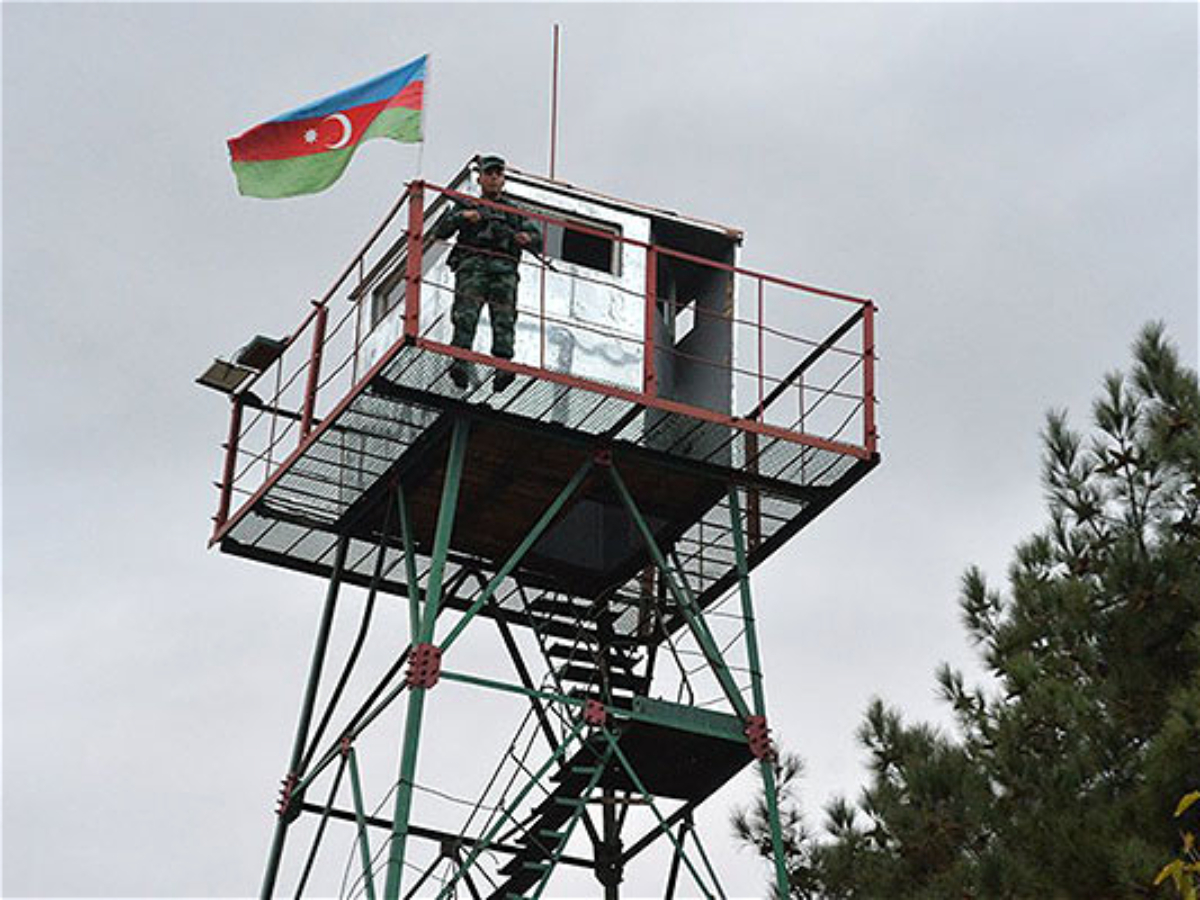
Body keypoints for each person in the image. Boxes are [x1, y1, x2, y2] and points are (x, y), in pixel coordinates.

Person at [432, 154, 543, 391]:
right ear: (480, 178)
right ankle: (460, 361)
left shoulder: (514, 212)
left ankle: (503, 365)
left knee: (504, 318)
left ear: (503, 180)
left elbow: (538, 239)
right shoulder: (466, 205)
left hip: (503, 269)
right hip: (473, 266)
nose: (493, 178)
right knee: (465, 315)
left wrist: (526, 238)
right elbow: (439, 231)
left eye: (498, 174)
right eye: (489, 174)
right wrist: (463, 217)